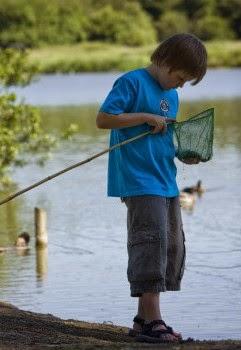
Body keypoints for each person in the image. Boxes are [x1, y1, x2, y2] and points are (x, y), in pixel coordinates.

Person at [96, 33, 207, 343]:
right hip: (138, 179)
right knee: (149, 243)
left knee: (171, 247)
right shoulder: (131, 82)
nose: (181, 86)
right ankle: (154, 321)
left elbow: (161, 138)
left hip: (165, 180)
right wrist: (144, 116)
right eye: (180, 77)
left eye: (187, 83)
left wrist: (184, 153)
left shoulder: (172, 96)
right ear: (165, 61)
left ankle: (142, 320)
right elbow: (103, 119)